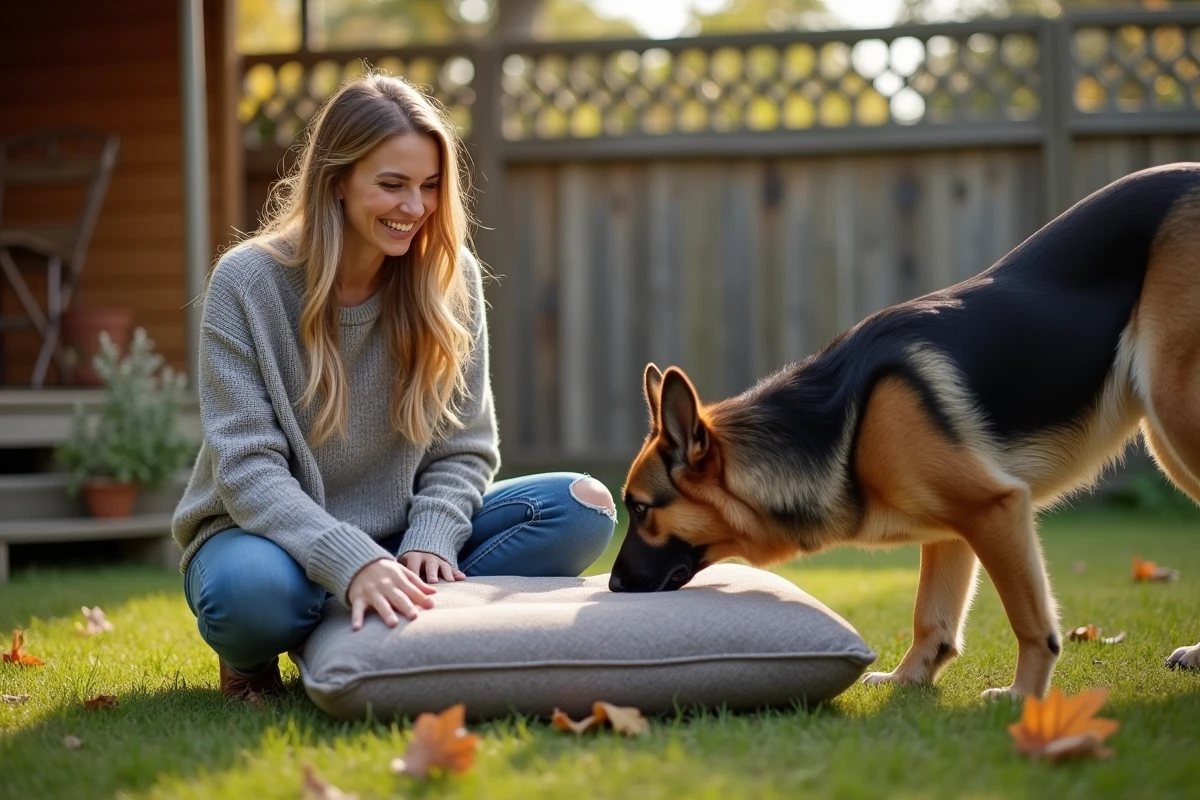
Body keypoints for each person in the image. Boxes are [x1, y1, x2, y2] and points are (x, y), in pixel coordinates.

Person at [171, 72, 617, 699]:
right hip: (268, 538)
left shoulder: (448, 276)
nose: (415, 208)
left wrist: (430, 536)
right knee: (252, 595)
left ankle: (372, 610)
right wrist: (350, 560)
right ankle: (278, 639)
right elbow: (247, 472)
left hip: (404, 535)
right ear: (336, 182)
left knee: (580, 510)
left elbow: (465, 446)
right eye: (392, 184)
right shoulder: (246, 283)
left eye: (430, 187)